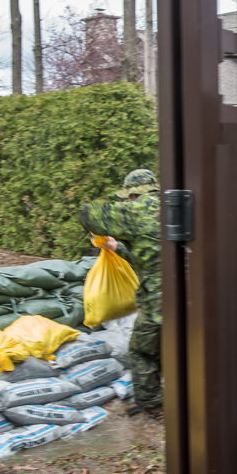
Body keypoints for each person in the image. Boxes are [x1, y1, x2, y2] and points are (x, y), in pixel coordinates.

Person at [79, 168, 162, 415]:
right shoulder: (175, 205)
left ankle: (154, 405)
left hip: (159, 302)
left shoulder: (137, 210)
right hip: (194, 297)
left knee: (141, 350)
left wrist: (108, 223)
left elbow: (87, 214)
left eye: (127, 198)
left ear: (133, 194)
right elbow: (151, 257)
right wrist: (117, 247)